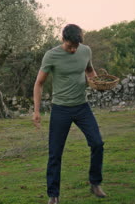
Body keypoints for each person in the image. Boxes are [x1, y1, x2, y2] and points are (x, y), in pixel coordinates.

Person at [33, 24, 106, 204]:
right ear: (63, 40)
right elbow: (39, 83)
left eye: (76, 46)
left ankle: (95, 183)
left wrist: (97, 83)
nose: (73, 49)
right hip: (60, 109)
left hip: (82, 106)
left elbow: (89, 71)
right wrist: (36, 111)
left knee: (97, 143)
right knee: (55, 153)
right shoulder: (51, 55)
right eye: (70, 46)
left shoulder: (85, 51)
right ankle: (53, 195)